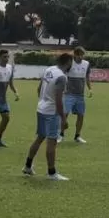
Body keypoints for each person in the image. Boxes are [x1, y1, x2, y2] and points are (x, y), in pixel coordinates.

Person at [23, 52, 72, 181]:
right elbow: (58, 100)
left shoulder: (49, 70)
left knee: (40, 138)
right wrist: (64, 118)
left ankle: (28, 166)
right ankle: (51, 172)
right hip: (51, 112)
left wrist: (42, 101)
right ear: (68, 62)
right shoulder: (62, 77)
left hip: (41, 108)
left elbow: (39, 89)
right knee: (52, 142)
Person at [61, 47, 92, 144]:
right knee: (65, 114)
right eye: (79, 55)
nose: (81, 57)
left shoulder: (86, 64)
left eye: (83, 55)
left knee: (81, 115)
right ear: (75, 55)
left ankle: (77, 136)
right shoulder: (69, 63)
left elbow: (87, 77)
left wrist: (90, 88)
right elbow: (62, 74)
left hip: (80, 95)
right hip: (69, 94)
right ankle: (60, 135)